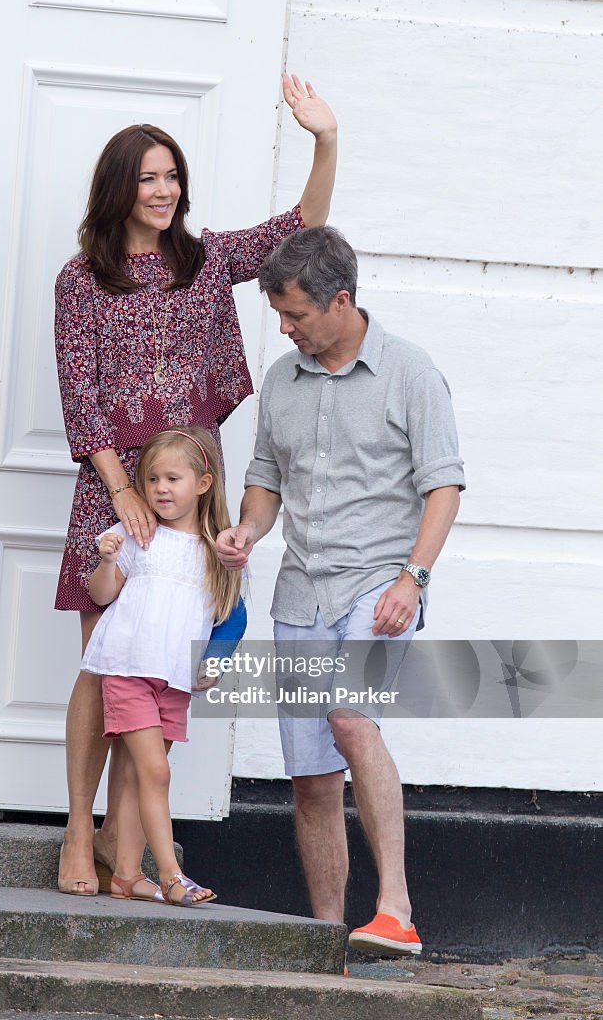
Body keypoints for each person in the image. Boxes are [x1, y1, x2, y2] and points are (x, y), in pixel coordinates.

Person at [55, 74, 338, 895]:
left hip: (191, 488)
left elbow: (302, 227)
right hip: (112, 487)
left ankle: (125, 842)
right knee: (108, 666)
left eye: (171, 175)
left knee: (167, 664)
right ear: (118, 188)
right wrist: (120, 492)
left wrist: (323, 139)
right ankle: (81, 831)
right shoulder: (83, 280)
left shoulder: (205, 259)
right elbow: (79, 393)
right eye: (147, 176)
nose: (163, 190)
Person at [215, 227, 465, 956]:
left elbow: (442, 486)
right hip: (301, 595)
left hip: (377, 586)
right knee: (312, 779)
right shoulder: (282, 380)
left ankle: (396, 910)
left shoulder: (409, 372)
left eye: (294, 315)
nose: (285, 329)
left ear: (340, 300)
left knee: (351, 720)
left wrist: (411, 579)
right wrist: (247, 531)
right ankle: (329, 940)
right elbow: (265, 478)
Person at [80, 426, 238, 905]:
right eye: (152, 480)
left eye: (173, 478)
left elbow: (230, 617)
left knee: (141, 776)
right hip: (129, 667)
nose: (161, 489)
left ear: (203, 484)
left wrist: (215, 662)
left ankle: (127, 873)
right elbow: (102, 596)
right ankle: (171, 876)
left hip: (173, 680)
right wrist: (106, 561)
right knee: (155, 772)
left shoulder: (219, 552)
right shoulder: (134, 535)